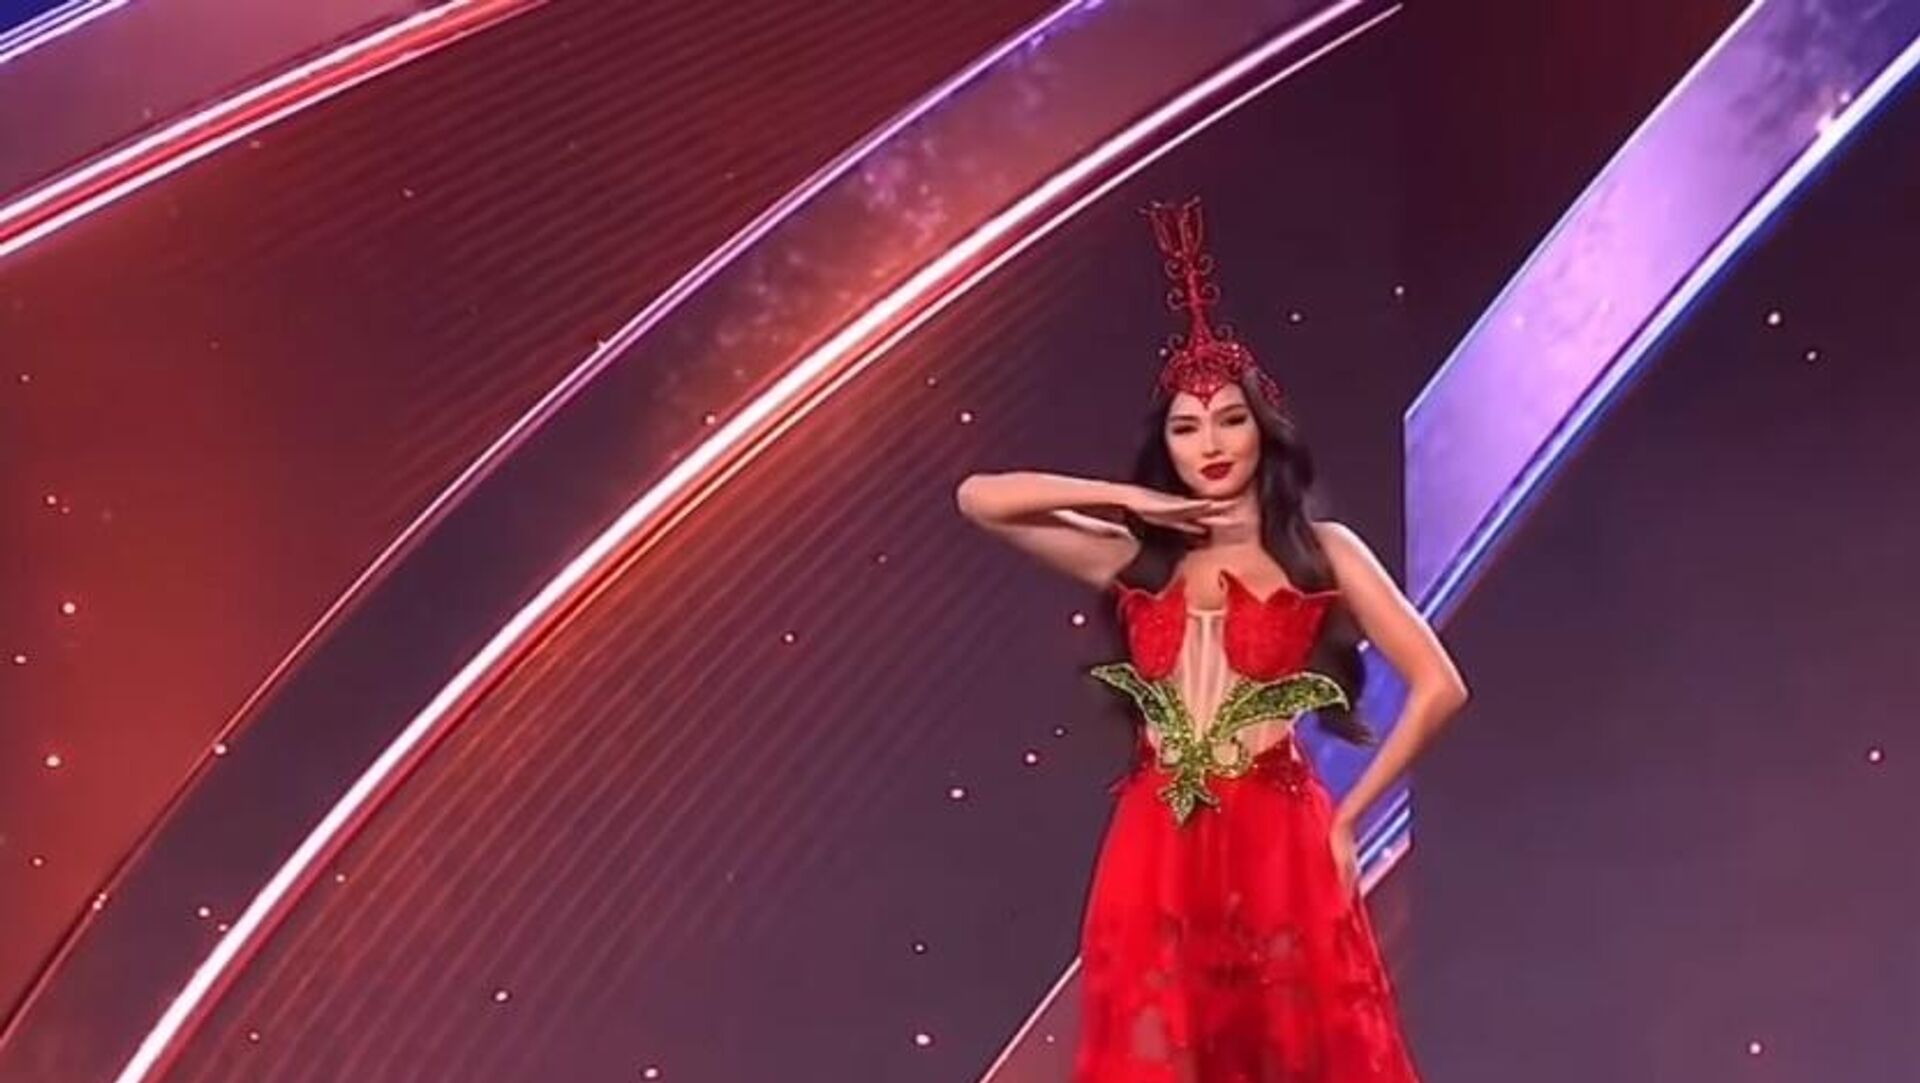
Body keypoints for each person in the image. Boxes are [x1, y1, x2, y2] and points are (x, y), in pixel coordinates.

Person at [955, 197, 1468, 1080]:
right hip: (1156, 838)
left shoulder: (1322, 551)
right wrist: (1129, 499)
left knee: (1293, 1054)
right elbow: (980, 498)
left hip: (1279, 836)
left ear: (1262, 428)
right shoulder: (1138, 559)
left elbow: (1440, 684)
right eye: (1186, 428)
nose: (1212, 444)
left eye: (1230, 418)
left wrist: (1349, 819)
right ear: (1169, 448)